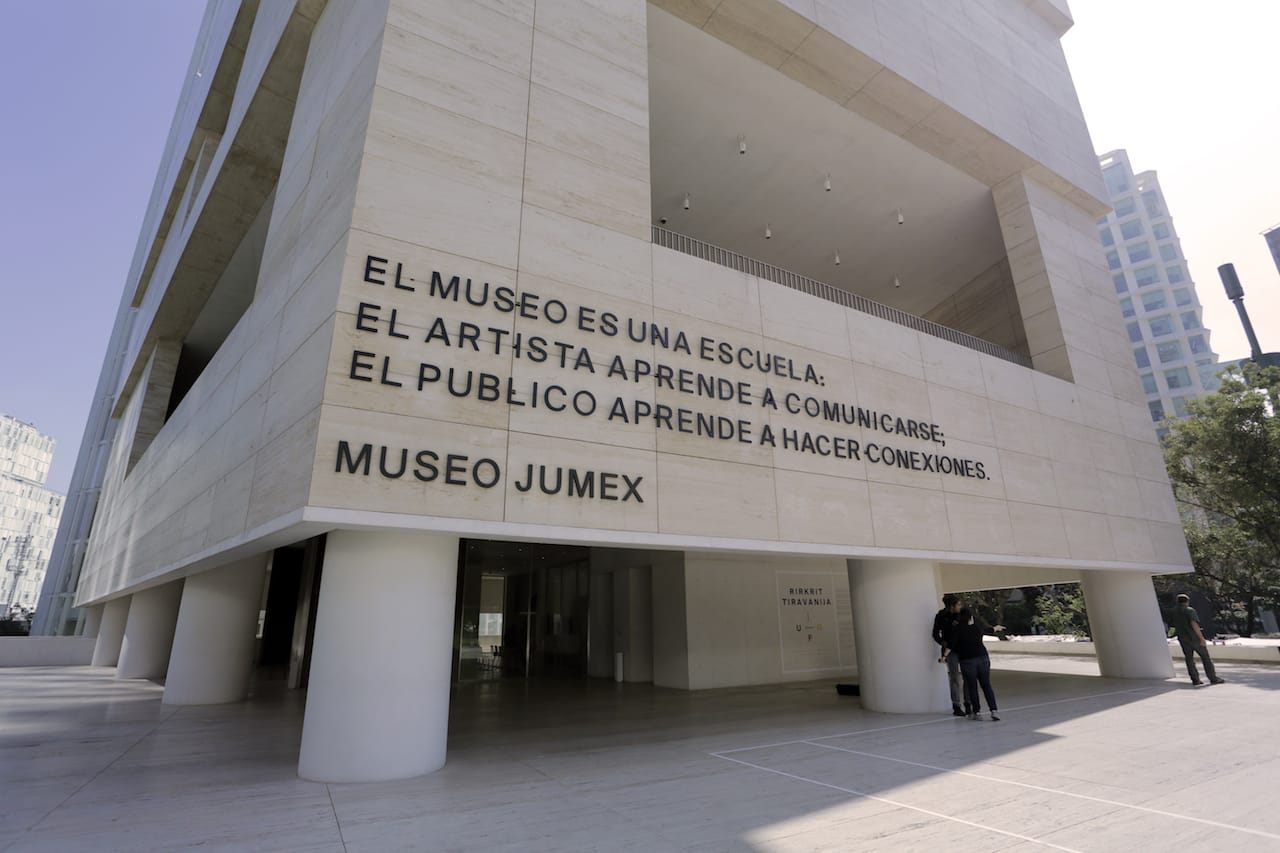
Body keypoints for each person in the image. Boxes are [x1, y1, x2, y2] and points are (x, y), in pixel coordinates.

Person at [948, 608, 1002, 721]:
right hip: (983, 657)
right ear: (971, 616)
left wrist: (944, 656)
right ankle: (994, 711)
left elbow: (952, 644)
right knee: (986, 685)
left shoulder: (958, 628)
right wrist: (996, 628)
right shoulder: (977, 625)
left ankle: (977, 712)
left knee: (972, 687)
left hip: (967, 660)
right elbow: (989, 629)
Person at [1169, 593, 1225, 686]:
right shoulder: (1189, 610)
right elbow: (1194, 624)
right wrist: (1202, 638)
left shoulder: (1173, 611)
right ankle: (1213, 678)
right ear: (1187, 601)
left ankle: (1195, 679)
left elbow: (1173, 625)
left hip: (1183, 638)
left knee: (1189, 659)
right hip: (1194, 638)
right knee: (1206, 658)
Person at [932, 594, 965, 716]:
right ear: (952, 606)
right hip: (950, 651)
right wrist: (942, 642)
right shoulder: (941, 616)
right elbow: (935, 633)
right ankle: (956, 705)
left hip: (963, 648)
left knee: (966, 676)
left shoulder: (962, 615)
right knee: (954, 677)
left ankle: (968, 703)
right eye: (958, 604)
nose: (960, 606)